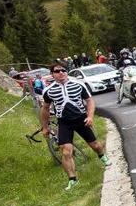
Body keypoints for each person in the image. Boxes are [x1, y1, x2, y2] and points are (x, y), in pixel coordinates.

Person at [41, 62, 112, 191]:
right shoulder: (48, 90)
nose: (61, 73)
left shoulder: (78, 84)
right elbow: (45, 108)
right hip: (64, 122)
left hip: (81, 119)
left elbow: (90, 101)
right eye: (57, 71)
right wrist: (45, 127)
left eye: (63, 70)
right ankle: (73, 179)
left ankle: (102, 156)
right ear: (52, 74)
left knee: (95, 145)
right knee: (66, 151)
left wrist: (90, 117)